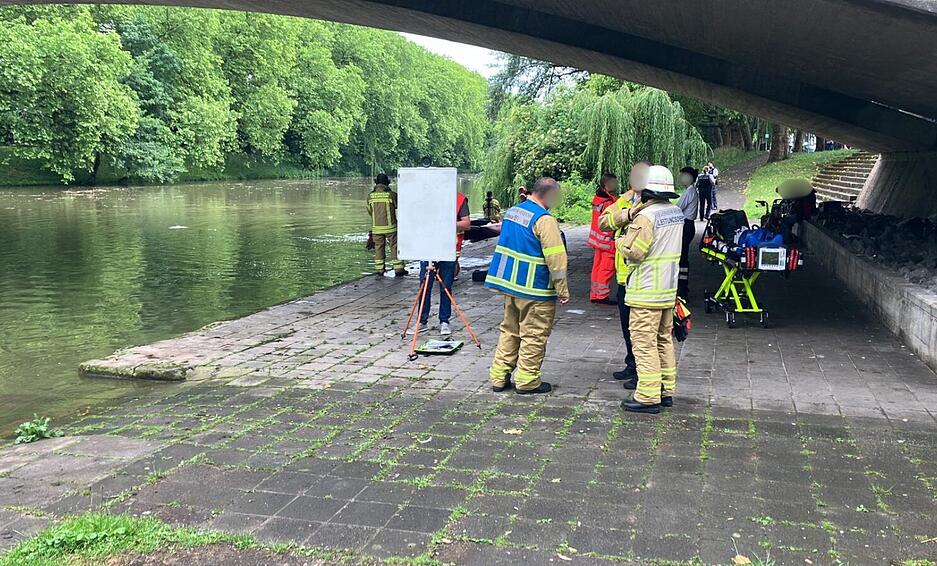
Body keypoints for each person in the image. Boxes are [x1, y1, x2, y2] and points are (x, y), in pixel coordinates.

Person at [486, 177, 569, 395]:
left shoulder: (513, 212)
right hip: (536, 289)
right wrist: (562, 289)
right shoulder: (545, 220)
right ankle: (527, 380)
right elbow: (556, 258)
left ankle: (499, 376)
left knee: (509, 331)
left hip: (511, 286)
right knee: (534, 334)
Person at [616, 165, 684, 414]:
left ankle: (647, 396)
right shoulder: (675, 213)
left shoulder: (647, 217)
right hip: (667, 291)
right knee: (663, 340)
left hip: (646, 292)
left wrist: (619, 241)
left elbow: (635, 252)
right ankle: (666, 390)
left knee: (643, 344)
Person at [598, 161, 651, 385]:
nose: (634, 177)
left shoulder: (655, 202)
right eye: (632, 173)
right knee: (628, 326)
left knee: (643, 332)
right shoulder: (625, 199)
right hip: (624, 279)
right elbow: (604, 222)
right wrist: (627, 214)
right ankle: (632, 364)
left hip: (644, 277)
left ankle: (643, 371)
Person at [411, 192, 471, 336]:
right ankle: (422, 321)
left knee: (446, 285)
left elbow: (466, 224)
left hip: (448, 249)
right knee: (425, 284)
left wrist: (445, 224)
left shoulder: (459, 199)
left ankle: (444, 321)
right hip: (427, 248)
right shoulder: (425, 199)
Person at [588, 173, 619, 304]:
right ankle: (602, 296)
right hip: (607, 240)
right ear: (607, 184)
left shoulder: (598, 199)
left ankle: (594, 294)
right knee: (606, 268)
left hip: (597, 239)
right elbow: (611, 222)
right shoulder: (608, 202)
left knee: (597, 266)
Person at [367, 173, 405, 276]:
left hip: (376, 228)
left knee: (379, 248)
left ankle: (380, 270)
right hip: (391, 227)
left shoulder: (370, 196)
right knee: (394, 246)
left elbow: (370, 211)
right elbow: (400, 208)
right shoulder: (392, 195)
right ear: (387, 183)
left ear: (376, 183)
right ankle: (398, 269)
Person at [675, 167, 700, 298]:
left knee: (682, 257)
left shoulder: (689, 192)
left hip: (686, 225)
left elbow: (678, 208)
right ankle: (682, 286)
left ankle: (682, 288)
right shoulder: (690, 191)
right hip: (688, 225)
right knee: (683, 256)